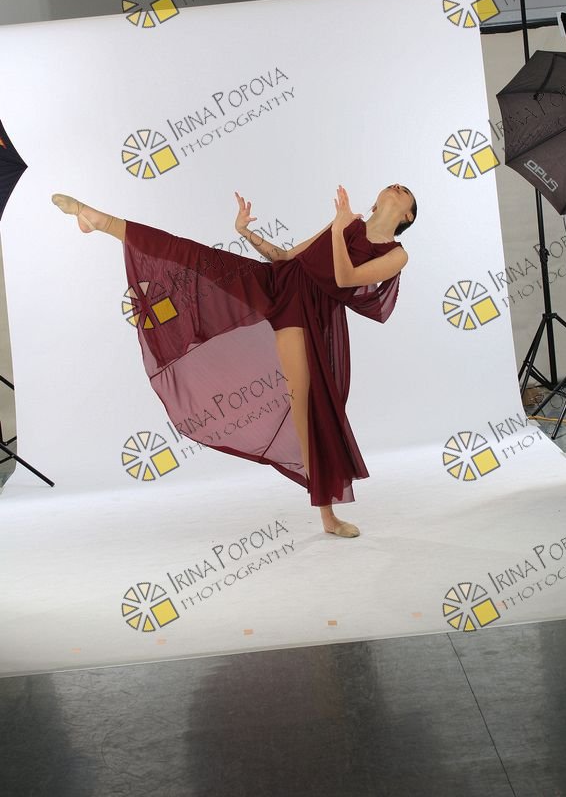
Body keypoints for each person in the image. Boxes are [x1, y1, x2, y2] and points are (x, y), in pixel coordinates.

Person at [51, 184, 417, 538]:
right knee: (191, 254)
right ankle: (98, 219)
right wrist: (245, 233)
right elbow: (286, 257)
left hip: (307, 314)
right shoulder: (347, 221)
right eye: (393, 185)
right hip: (276, 282)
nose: (396, 187)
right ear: (375, 202)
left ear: (408, 215)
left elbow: (346, 277)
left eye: (404, 191)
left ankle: (327, 514)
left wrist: (338, 229)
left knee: (306, 409)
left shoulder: (395, 254)